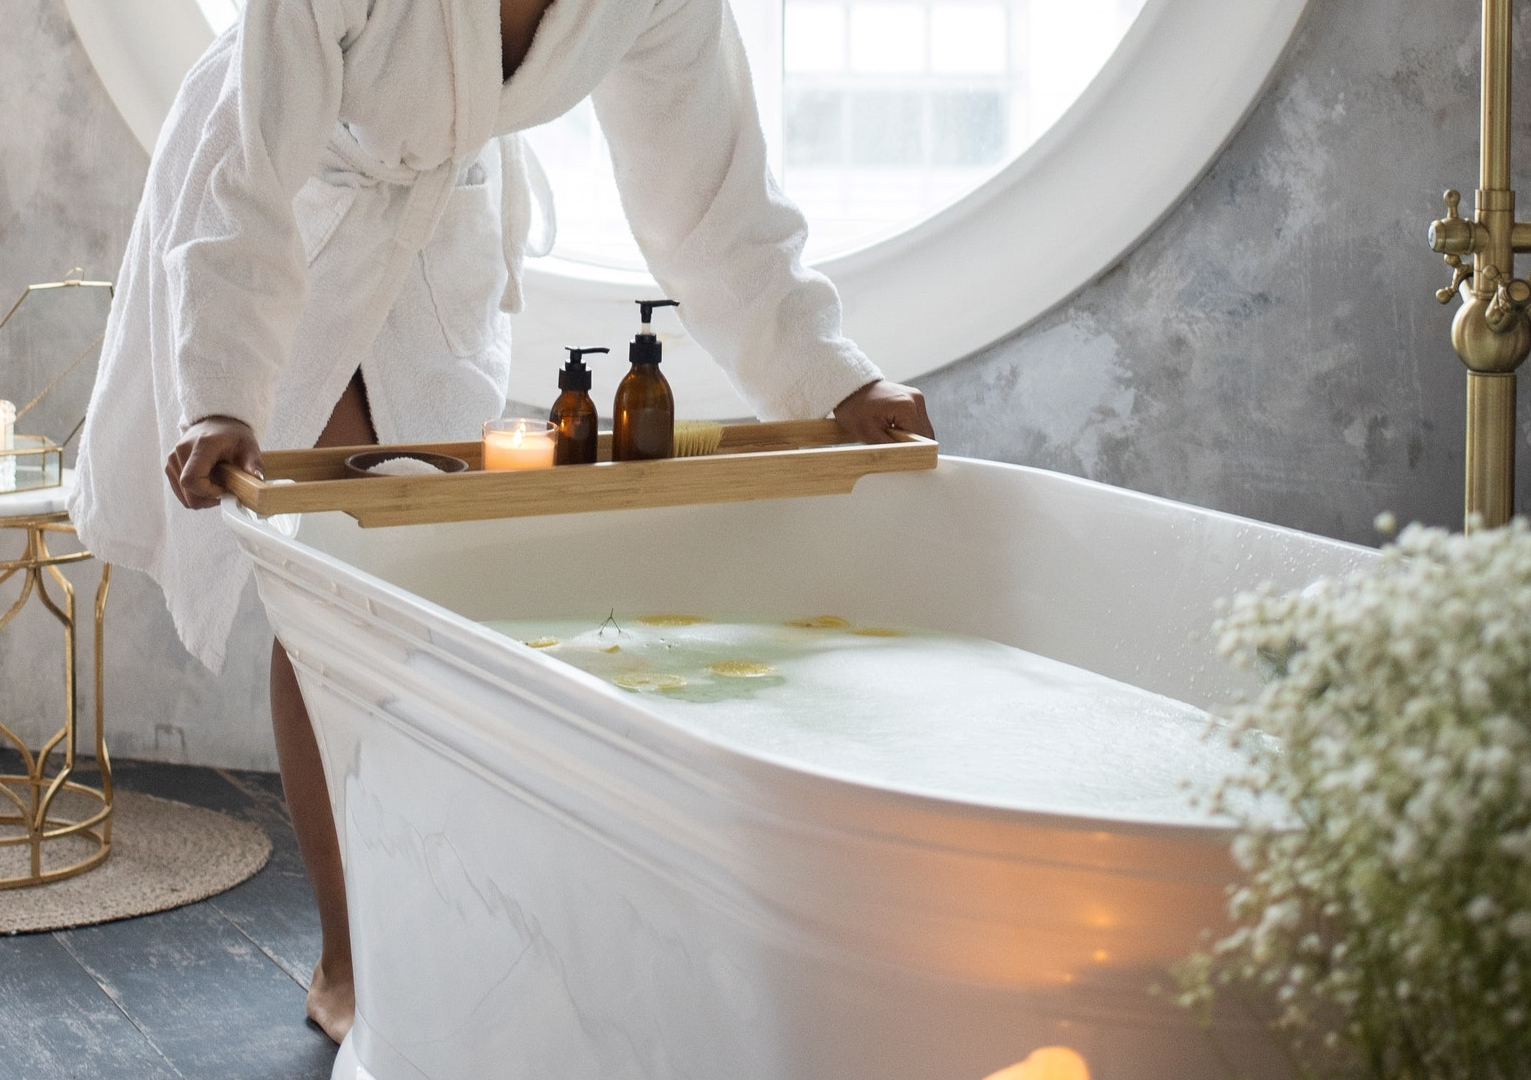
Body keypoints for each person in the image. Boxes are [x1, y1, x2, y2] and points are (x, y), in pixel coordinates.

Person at [71, 0, 934, 1043]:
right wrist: (220, 389)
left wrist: (836, 375)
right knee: (341, 567)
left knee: (438, 579)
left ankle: (447, 919)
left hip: (440, 216)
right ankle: (350, 957)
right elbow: (245, 174)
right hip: (273, 208)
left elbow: (709, 201)